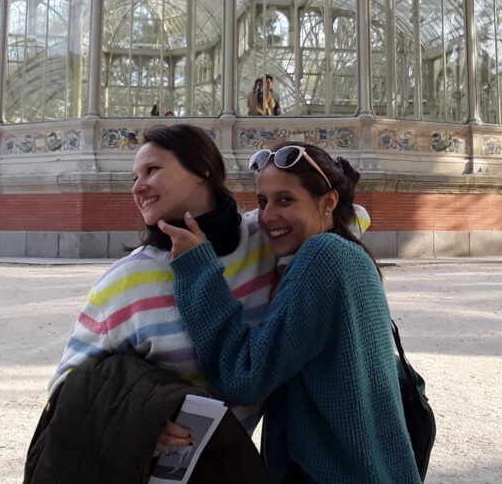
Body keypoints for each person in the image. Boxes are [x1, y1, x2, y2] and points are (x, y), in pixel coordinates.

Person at [160, 142, 420, 484]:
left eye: (286, 200)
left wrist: (198, 271)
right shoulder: (352, 256)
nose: (267, 216)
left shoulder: (322, 256)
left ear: (328, 202)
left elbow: (246, 378)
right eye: (263, 202)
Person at [49, 125, 278, 433]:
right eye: (134, 178)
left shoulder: (266, 241)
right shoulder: (129, 280)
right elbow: (66, 387)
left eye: (152, 170)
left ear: (202, 170)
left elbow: (350, 217)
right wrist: (139, 423)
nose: (137, 188)